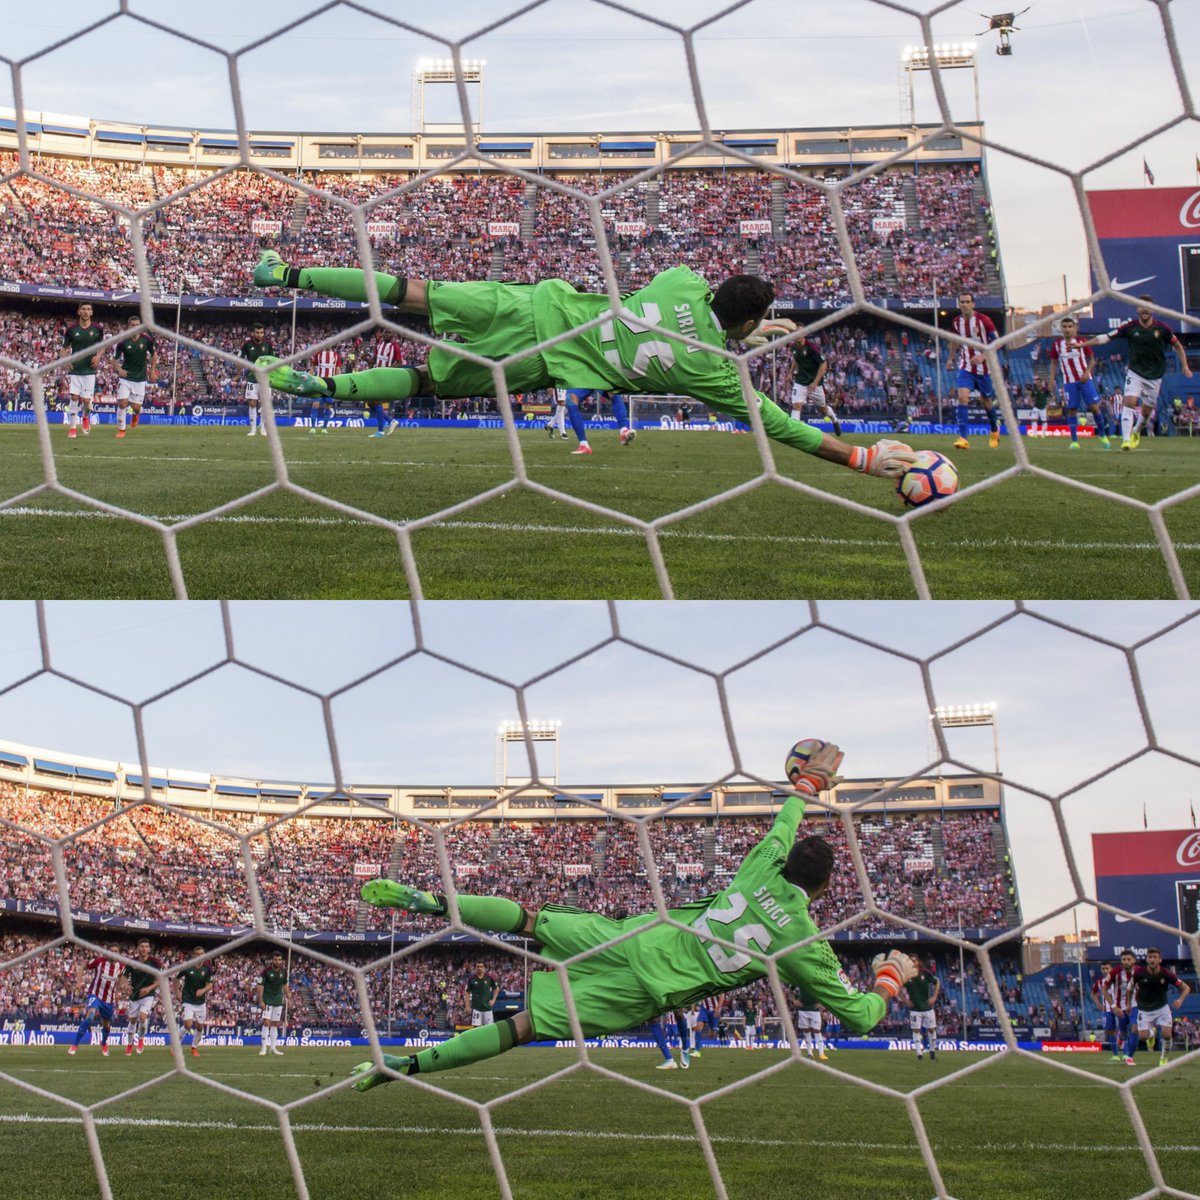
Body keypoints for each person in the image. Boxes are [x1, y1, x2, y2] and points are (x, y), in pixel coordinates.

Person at [346, 740, 917, 1090]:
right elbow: (863, 1017)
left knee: (530, 918)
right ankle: (410, 1067)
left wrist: (809, 784)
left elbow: (785, 820)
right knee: (525, 1027)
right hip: (651, 988)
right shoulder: (803, 940)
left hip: (635, 937)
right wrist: (891, 978)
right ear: (822, 891)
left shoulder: (761, 864)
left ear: (788, 862)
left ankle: (429, 901)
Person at [249, 251, 919, 484]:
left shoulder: (681, 279)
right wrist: (859, 460)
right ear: (745, 327)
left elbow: (707, 305)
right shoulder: (712, 374)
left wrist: (744, 325)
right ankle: (327, 387)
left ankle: (287, 274)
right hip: (543, 361)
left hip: (533, 303)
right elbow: (780, 427)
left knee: (410, 293)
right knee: (427, 383)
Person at [1084, 296, 1193, 450]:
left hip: (1155, 375)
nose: (1144, 309)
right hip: (1135, 372)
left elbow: (1178, 346)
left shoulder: (1163, 329)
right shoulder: (1130, 327)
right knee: (1129, 402)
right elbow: (1105, 338)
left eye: (1147, 306)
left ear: (1153, 310)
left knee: (1147, 412)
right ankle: (1126, 440)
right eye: (1141, 306)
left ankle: (1136, 431)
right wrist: (1083, 344)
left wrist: (1185, 365)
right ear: (1137, 309)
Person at [946, 292, 1000, 450]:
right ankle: (963, 438)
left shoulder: (985, 321)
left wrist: (983, 356)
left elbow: (997, 342)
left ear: (973, 304)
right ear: (959, 304)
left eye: (967, 302)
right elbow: (955, 341)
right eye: (962, 302)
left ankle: (994, 430)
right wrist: (950, 358)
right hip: (966, 366)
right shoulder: (956, 322)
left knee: (987, 402)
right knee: (962, 397)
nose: (964, 304)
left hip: (984, 369)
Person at [1134, 947, 1191, 1067]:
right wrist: (1129, 1003)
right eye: (1150, 957)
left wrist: (1180, 1000)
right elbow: (1130, 987)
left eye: (1155, 957)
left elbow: (1186, 988)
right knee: (1142, 1037)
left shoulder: (1167, 974)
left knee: (1167, 1035)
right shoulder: (1139, 973)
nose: (1152, 960)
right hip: (1144, 1009)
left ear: (1160, 960)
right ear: (1146, 959)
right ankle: (1152, 1034)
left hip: (1162, 1008)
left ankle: (1163, 1058)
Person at [62, 302, 105, 439]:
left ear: (91, 312)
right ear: (78, 311)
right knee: (74, 397)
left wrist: (98, 356)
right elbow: (64, 348)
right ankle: (73, 427)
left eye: (88, 309)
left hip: (89, 369)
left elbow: (103, 346)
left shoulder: (98, 329)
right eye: (83, 309)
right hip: (75, 368)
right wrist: (66, 360)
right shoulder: (71, 329)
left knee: (86, 401)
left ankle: (85, 417)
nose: (86, 312)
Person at [69, 948, 122, 1057]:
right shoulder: (99, 961)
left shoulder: (121, 966)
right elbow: (82, 967)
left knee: (107, 1026)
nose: (113, 952)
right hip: (95, 995)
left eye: (116, 951)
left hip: (108, 1000)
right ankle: (74, 1044)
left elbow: (120, 978)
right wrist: (79, 983)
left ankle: (103, 1043)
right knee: (90, 1016)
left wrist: (117, 992)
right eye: (111, 950)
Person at [113, 314, 156, 441]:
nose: (136, 327)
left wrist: (152, 371)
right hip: (125, 377)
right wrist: (119, 369)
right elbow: (114, 360)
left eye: (138, 325)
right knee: (122, 403)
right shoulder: (123, 341)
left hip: (140, 379)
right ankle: (121, 430)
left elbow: (154, 355)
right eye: (133, 325)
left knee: (136, 407)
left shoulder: (147, 340)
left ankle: (136, 415)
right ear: (128, 326)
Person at [555, 387, 635, 456]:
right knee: (570, 398)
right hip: (582, 374)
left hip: (599, 370)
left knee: (613, 393)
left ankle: (624, 430)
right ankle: (583, 444)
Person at [790, 338, 841, 436]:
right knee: (796, 406)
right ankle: (794, 432)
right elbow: (796, 359)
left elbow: (823, 364)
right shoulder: (794, 347)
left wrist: (815, 382)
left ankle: (834, 419)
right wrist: (790, 372)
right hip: (800, 382)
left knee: (823, 408)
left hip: (815, 384)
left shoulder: (812, 348)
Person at [121, 938, 163, 1056]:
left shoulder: (155, 962)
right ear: (138, 948)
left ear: (149, 949)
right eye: (142, 946)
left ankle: (140, 1039)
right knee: (133, 1020)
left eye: (146, 946)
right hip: (134, 995)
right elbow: (123, 976)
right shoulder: (132, 962)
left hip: (148, 994)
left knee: (143, 1017)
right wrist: (126, 985)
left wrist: (149, 988)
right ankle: (129, 1045)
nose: (144, 948)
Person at [901, 955, 940, 1061]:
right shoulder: (906, 976)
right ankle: (919, 1054)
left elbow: (937, 982)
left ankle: (932, 1051)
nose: (912, 962)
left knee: (931, 1029)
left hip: (927, 1007)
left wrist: (934, 997)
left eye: (914, 960)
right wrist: (905, 1000)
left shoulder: (925, 973)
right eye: (910, 961)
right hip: (915, 1009)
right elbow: (897, 987)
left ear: (918, 962)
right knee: (916, 1030)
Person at [177, 949, 213, 1058]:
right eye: (197, 954)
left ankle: (194, 1048)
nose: (200, 956)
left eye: (202, 954)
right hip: (188, 999)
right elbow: (177, 978)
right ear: (194, 955)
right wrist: (177, 991)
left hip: (200, 1002)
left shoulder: (207, 969)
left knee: (200, 1027)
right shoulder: (187, 966)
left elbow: (210, 984)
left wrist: (203, 990)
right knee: (188, 1024)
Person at [241, 322, 275, 437]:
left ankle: (263, 428)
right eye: (257, 332)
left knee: (265, 403)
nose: (260, 335)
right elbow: (240, 360)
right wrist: (237, 374)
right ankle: (253, 429)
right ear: (252, 333)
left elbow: (273, 361)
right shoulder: (247, 345)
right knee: (252, 403)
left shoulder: (268, 344)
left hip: (265, 379)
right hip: (252, 378)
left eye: (261, 332)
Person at [1107, 949, 1140, 1066]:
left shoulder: (1140, 971)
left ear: (1134, 961)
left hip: (1136, 1006)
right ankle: (1121, 1037)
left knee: (1135, 1028)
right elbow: (1104, 989)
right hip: (1120, 1008)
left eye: (1129, 959)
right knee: (1123, 1031)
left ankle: (1130, 1057)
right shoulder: (1114, 972)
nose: (1126, 962)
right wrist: (1113, 1006)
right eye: (1124, 959)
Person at [256, 950, 290, 1057]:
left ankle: (273, 1048)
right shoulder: (265, 972)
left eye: (279, 960)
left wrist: (289, 995)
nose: (278, 961)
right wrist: (261, 1001)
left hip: (278, 1001)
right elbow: (260, 986)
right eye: (276, 959)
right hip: (268, 1000)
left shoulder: (283, 972)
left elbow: (284, 985)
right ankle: (263, 1048)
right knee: (266, 1022)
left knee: (275, 1024)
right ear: (272, 960)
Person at [307, 345, 341, 433]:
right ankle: (313, 428)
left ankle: (324, 428)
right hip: (320, 383)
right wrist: (309, 378)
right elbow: (312, 367)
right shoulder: (318, 355)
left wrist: (340, 384)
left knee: (328, 407)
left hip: (331, 385)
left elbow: (338, 370)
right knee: (315, 404)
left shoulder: (336, 356)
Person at [1090, 961, 1118, 1058]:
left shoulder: (1118, 980)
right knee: (1110, 1031)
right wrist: (1098, 1003)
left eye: (1107, 968)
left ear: (1111, 969)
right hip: (1107, 1010)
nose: (1105, 971)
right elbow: (1093, 993)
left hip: (1119, 1009)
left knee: (1123, 1031)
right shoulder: (1099, 982)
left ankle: (1126, 1054)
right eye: (1103, 969)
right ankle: (1115, 1055)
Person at [794, 988, 827, 1060]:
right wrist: (794, 1000)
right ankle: (810, 1053)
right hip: (802, 1009)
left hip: (814, 1009)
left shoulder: (816, 979)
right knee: (806, 1030)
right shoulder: (798, 979)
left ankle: (821, 1053)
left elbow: (826, 990)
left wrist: (821, 1002)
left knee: (817, 1030)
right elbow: (789, 990)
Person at [465, 962, 499, 1027]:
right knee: (476, 1029)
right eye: (478, 967)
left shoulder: (489, 978)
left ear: (484, 968)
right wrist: (467, 1006)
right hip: (476, 1008)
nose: (479, 968)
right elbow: (467, 993)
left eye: (481, 966)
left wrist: (493, 1000)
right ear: (475, 968)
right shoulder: (471, 979)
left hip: (487, 1008)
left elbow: (496, 989)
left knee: (489, 1028)